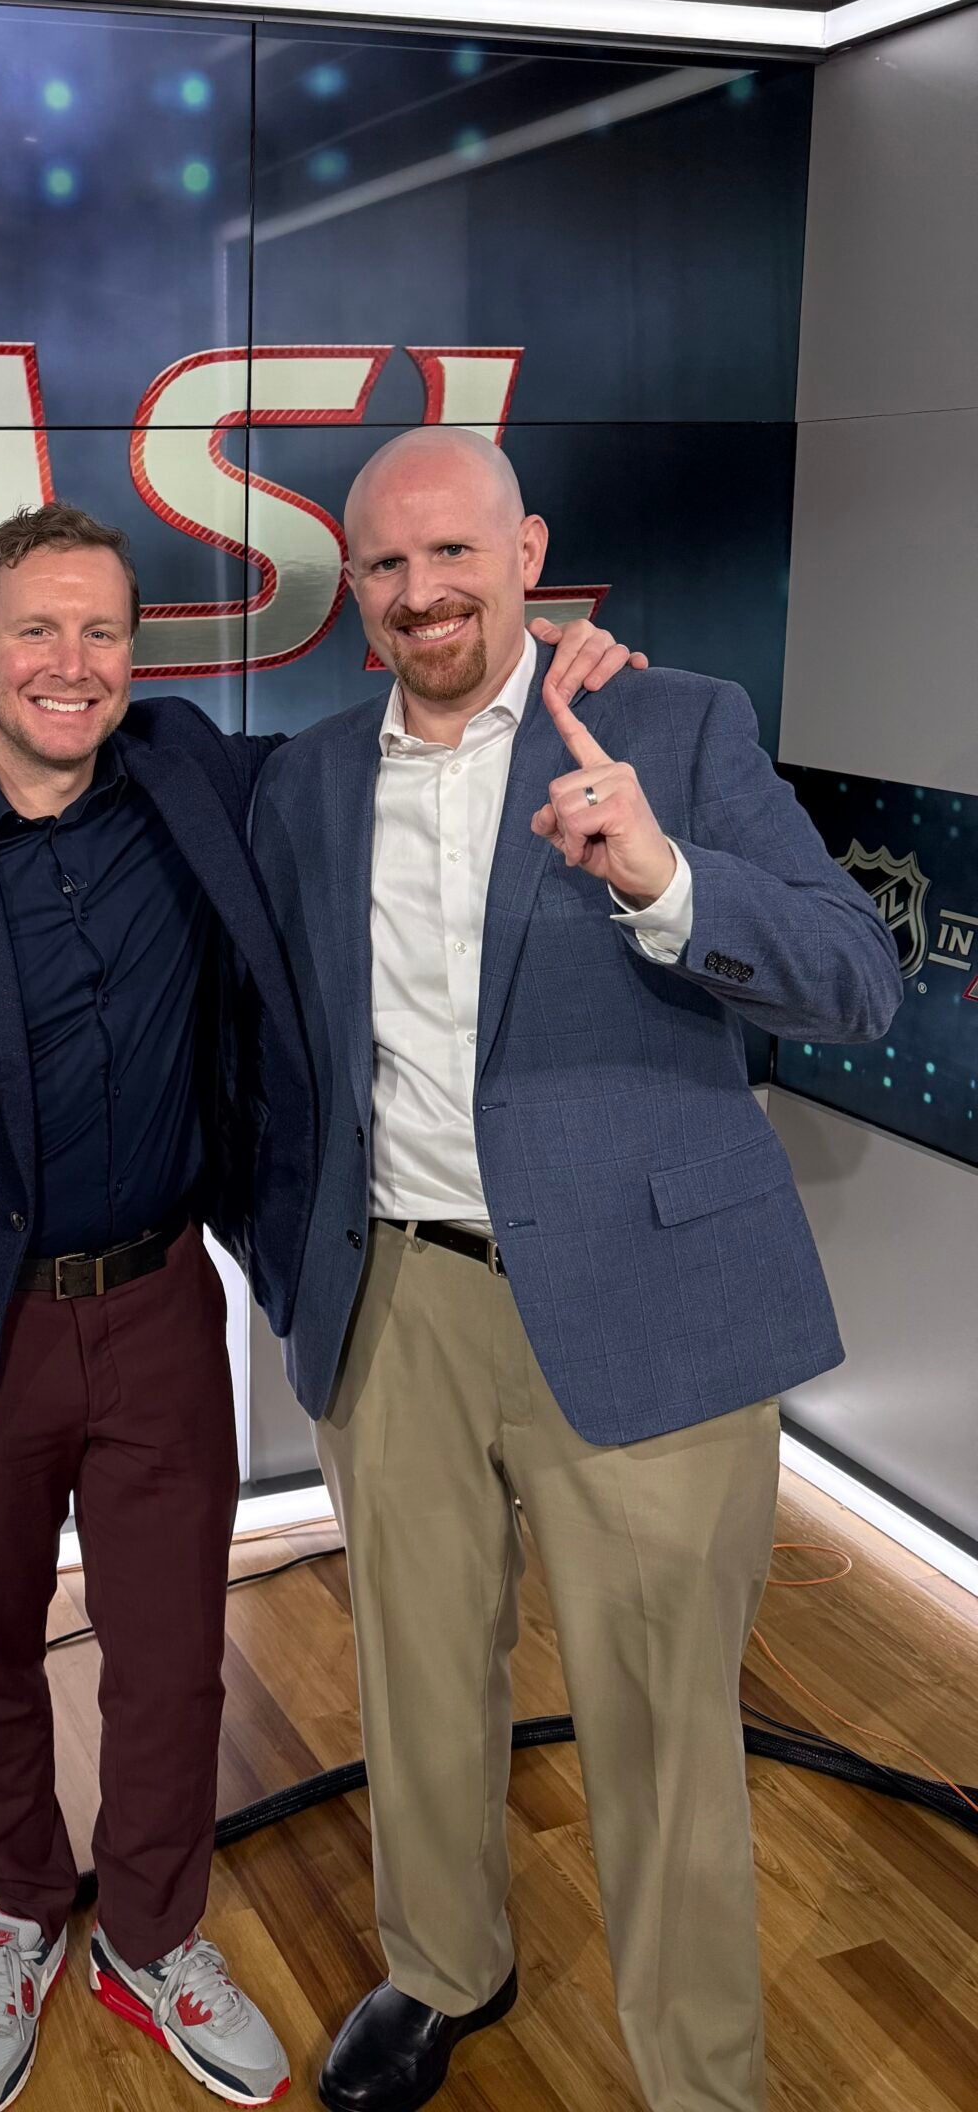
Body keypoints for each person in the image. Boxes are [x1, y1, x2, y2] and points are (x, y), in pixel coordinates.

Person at [0, 499, 632, 2112]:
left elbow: (421, 729)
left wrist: (570, 670)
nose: (70, 665)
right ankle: (21, 1914)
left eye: (100, 632)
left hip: (157, 1301)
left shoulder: (201, 780)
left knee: (173, 1662)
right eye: (37, 631)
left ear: (133, 656)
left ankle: (152, 1935)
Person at [246, 428, 902, 2112]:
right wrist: (290, 1266)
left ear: (529, 550)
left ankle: (701, 2076)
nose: (422, 592)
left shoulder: (677, 725)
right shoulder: (309, 778)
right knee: (414, 1675)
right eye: (386, 566)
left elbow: (854, 975)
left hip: (650, 1311)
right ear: (355, 590)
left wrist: (665, 881)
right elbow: (283, 1060)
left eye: (453, 553)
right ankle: (440, 1968)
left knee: (667, 1733)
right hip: (395, 1306)